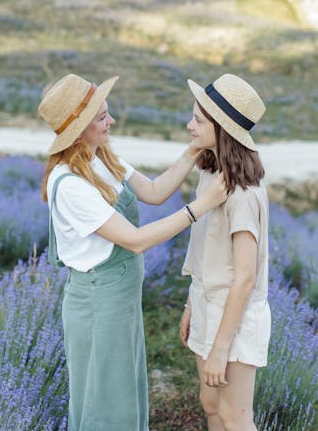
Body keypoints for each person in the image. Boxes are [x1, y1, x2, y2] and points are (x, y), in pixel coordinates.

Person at [38, 73, 227, 431]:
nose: (110, 121)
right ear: (78, 130)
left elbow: (154, 191)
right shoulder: (69, 184)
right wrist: (201, 206)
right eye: (101, 117)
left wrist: (192, 151)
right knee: (105, 404)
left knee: (122, 393)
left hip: (119, 300)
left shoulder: (102, 158)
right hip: (97, 303)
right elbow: (136, 240)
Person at [179, 73, 270, 431]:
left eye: (199, 120)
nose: (189, 125)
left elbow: (245, 277)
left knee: (235, 417)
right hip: (207, 304)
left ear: (223, 130)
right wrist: (191, 304)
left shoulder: (243, 193)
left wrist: (220, 348)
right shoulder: (211, 174)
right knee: (211, 404)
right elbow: (204, 251)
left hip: (234, 317)